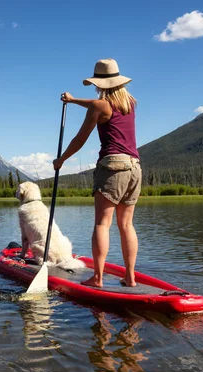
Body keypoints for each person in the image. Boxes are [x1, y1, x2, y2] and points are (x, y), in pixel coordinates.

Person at [53, 58, 141, 288]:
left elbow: (80, 138)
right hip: (135, 167)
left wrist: (61, 160)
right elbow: (97, 105)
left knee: (102, 224)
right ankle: (130, 277)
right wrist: (73, 101)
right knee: (126, 225)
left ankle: (98, 278)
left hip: (112, 167)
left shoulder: (99, 106)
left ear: (99, 82)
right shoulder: (130, 102)